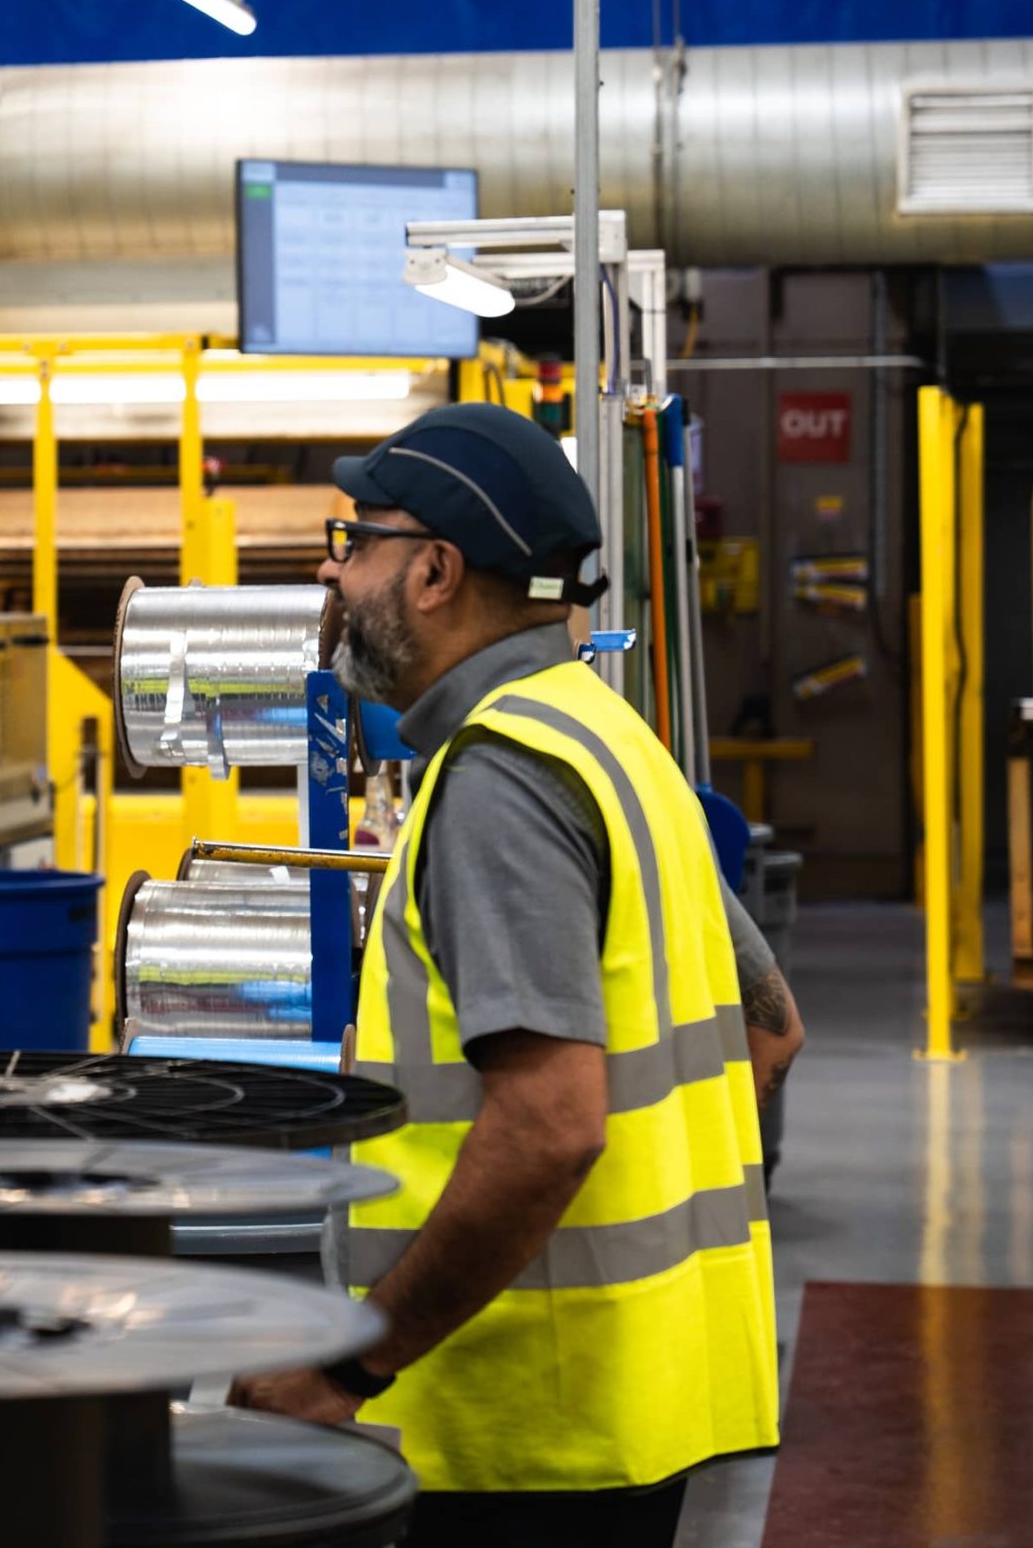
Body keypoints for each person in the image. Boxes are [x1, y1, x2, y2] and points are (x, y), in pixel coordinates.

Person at [234, 404, 801, 1548]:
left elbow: (548, 1124)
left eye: (355, 539)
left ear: (435, 570)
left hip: (513, 1433)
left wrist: (348, 1364)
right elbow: (770, 1028)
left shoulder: (501, 779)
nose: (330, 569)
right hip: (627, 1406)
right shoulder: (609, 736)